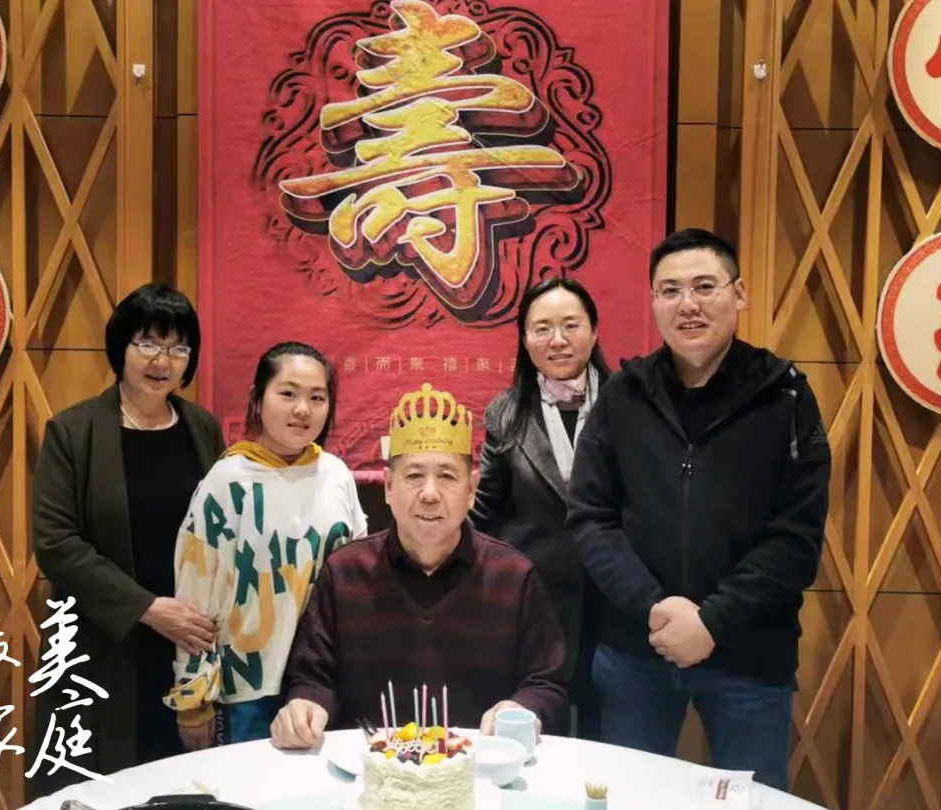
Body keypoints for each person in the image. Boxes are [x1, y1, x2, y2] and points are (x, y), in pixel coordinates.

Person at [565, 228, 831, 791]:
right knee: (628, 799)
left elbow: (797, 538)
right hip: (638, 647)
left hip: (748, 653)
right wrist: (655, 606)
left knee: (755, 801)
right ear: (654, 302)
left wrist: (713, 620)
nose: (687, 304)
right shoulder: (623, 395)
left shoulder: (785, 395)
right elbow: (590, 518)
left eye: (705, 286)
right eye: (670, 291)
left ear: (739, 294)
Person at [270, 382, 569, 749]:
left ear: (472, 490)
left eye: (447, 477)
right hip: (368, 769)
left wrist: (522, 708)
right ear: (388, 486)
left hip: (479, 769)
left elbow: (546, 683)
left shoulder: (513, 576)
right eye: (413, 476)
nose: (429, 494)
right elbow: (311, 677)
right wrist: (304, 706)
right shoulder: (345, 572)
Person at [29, 283, 226, 799]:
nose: (163, 361)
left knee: (181, 789)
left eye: (178, 348)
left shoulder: (202, 429)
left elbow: (222, 530)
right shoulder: (74, 432)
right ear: (120, 347)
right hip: (101, 645)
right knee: (94, 792)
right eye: (148, 343)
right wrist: (147, 608)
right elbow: (56, 542)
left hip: (184, 645)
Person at [164, 341, 367, 749]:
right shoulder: (226, 483)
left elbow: (357, 578)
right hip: (247, 688)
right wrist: (192, 701)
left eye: (317, 397)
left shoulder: (336, 475)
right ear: (257, 399)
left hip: (325, 682)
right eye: (288, 393)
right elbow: (194, 603)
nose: (302, 409)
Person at [471, 277, 609, 740]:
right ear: (525, 339)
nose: (558, 339)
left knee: (609, 741)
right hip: (536, 604)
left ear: (594, 330)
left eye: (571, 325)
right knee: (540, 738)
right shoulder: (505, 413)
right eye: (542, 328)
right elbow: (485, 514)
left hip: (615, 605)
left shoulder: (629, 404)